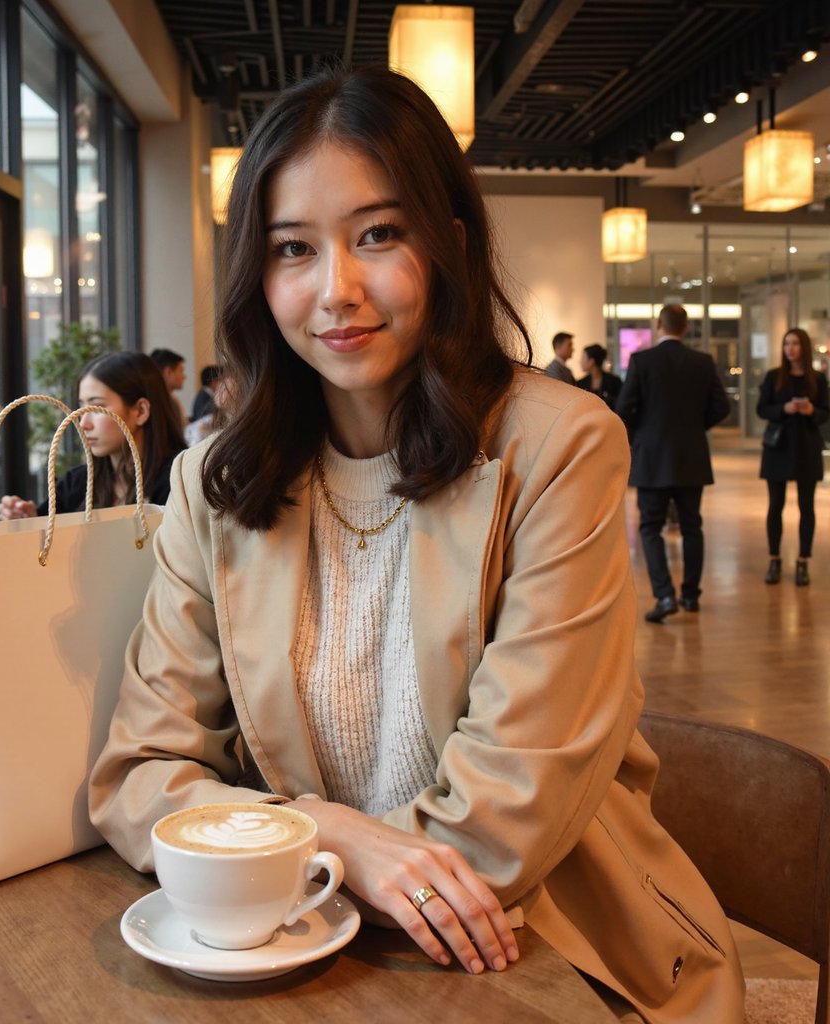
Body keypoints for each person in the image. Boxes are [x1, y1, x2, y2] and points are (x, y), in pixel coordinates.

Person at [89, 68, 743, 1023]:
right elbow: (139, 773)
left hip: (535, 939)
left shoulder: (559, 447)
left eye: (379, 235)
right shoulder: (216, 482)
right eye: (293, 249)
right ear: (255, 276)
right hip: (309, 942)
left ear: (450, 245)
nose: (337, 290)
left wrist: (276, 849)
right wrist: (330, 836)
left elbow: (499, 825)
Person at [615, 305, 730, 622]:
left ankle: (665, 595)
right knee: (693, 527)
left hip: (652, 458)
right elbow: (722, 406)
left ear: (658, 325)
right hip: (692, 456)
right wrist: (696, 426)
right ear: (686, 328)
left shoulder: (642, 361)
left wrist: (643, 433)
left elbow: (623, 409)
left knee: (651, 528)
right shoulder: (702, 362)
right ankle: (690, 595)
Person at [0, 351, 185, 519]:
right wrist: (29, 518)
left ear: (140, 411)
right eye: (81, 407)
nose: (83, 423)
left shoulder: (180, 482)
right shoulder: (77, 483)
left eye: (97, 407)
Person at [757, 327, 829, 586]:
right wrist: (784, 408)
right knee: (775, 505)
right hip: (778, 447)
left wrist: (811, 410)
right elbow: (762, 409)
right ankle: (774, 559)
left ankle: (803, 561)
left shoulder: (818, 379)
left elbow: (826, 412)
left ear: (804, 347)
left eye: (796, 343)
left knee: (806, 506)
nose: (791, 348)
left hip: (807, 447)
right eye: (787, 343)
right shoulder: (774, 376)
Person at [149, 347, 189, 428]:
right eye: (181, 370)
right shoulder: (154, 404)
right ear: (168, 372)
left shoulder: (172, 400)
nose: (184, 376)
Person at [576, 343, 623, 411]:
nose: (580, 361)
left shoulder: (614, 382)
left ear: (591, 361)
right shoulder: (580, 383)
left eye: (583, 358)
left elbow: (620, 405)